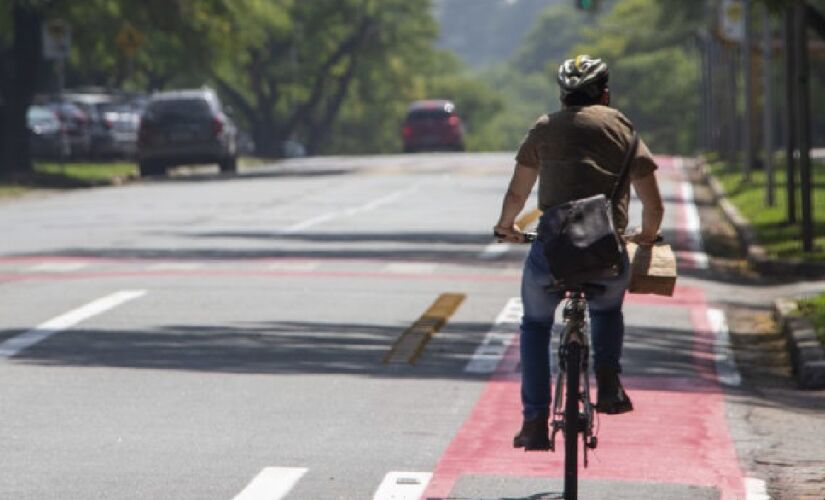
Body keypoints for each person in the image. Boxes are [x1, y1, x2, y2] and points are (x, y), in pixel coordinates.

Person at [493, 55, 664, 451]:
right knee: (606, 309)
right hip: (607, 253)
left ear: (562, 95)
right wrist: (646, 236)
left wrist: (507, 227)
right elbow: (653, 206)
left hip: (551, 255)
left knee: (535, 326)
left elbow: (517, 193)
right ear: (605, 93)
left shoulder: (544, 128)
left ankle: (534, 421)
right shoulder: (624, 130)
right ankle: (607, 380)